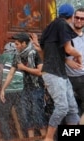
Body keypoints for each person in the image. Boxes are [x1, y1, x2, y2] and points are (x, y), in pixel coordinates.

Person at [33, 3, 82, 141]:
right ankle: (48, 138)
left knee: (72, 108)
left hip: (58, 73)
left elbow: (46, 55)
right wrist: (79, 56)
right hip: (54, 75)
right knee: (62, 108)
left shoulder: (50, 28)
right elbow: (68, 49)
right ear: (72, 16)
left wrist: (68, 61)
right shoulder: (62, 25)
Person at [2, 32, 47, 139]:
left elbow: (40, 72)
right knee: (26, 115)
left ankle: (46, 137)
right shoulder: (17, 56)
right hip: (25, 89)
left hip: (36, 88)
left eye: (17, 44)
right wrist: (3, 89)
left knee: (37, 113)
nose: (15, 46)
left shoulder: (34, 54)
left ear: (24, 43)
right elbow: (11, 73)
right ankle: (31, 139)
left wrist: (24, 68)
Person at [65, 7, 84, 124]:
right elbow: (53, 54)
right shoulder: (65, 35)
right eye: (77, 17)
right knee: (67, 111)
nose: (79, 20)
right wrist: (67, 61)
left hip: (83, 77)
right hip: (67, 78)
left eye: (82, 18)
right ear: (73, 18)